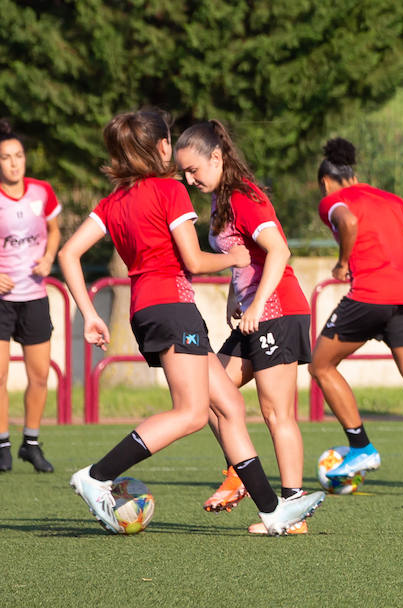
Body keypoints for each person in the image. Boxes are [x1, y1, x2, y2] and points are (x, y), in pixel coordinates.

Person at [59, 110, 323, 534]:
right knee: (192, 413)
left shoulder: (112, 202)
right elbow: (195, 261)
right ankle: (96, 476)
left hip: (150, 309)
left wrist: (90, 314)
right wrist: (235, 259)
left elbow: (68, 253)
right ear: (162, 147)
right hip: (172, 306)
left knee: (230, 406)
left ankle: (274, 512)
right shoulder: (169, 190)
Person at [174, 121, 315, 533]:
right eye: (183, 172)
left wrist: (253, 303)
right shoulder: (219, 201)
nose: (189, 179)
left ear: (216, 158)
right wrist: (237, 299)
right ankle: (240, 471)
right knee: (208, 392)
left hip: (278, 313)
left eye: (194, 170)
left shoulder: (243, 196)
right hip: (254, 315)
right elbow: (243, 257)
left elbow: (279, 250)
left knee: (276, 413)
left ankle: (293, 510)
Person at [307, 138, 403, 496]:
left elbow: (349, 222)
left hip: (370, 297)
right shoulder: (392, 200)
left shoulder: (332, 200)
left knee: (321, 366)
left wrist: (342, 262)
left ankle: (361, 448)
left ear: (326, 181)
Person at [0, 120, 59, 474]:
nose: (13, 163)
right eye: (5, 157)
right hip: (2, 303)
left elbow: (54, 230)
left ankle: (31, 444)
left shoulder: (42, 191)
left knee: (39, 376)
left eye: (18, 155)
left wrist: (50, 256)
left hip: (35, 296)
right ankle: (2, 445)